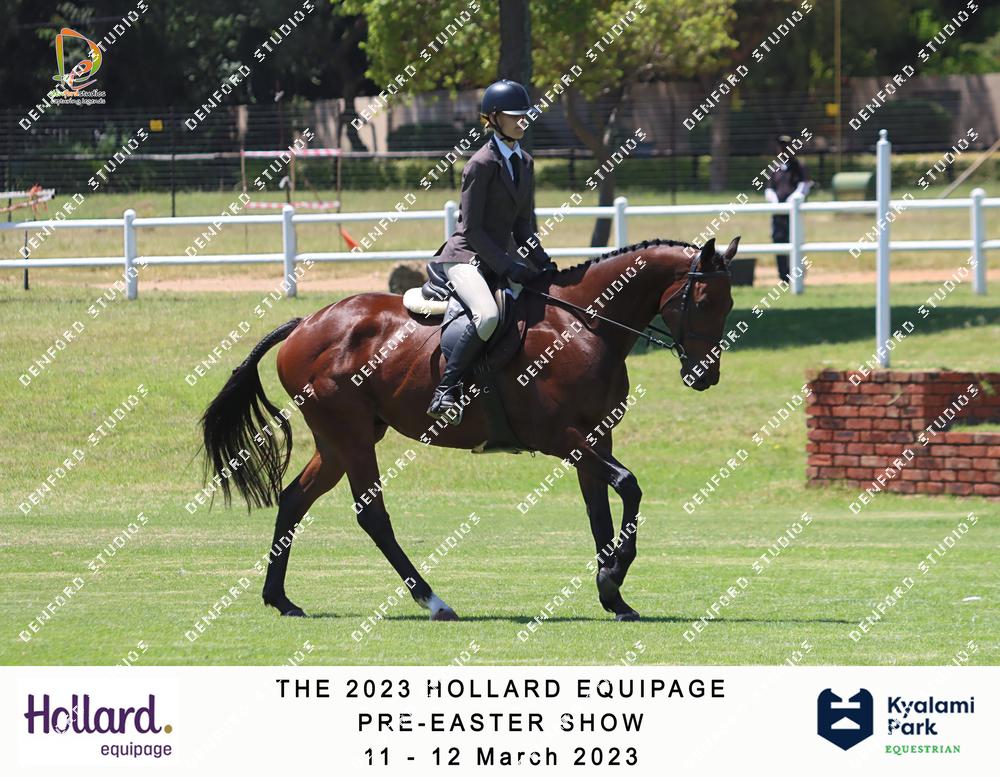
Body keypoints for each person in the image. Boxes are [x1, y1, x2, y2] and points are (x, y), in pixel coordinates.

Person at [426, 79, 555, 424]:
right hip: (465, 258)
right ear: (494, 118)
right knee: (487, 316)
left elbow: (523, 227)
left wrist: (543, 262)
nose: (522, 121)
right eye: (514, 116)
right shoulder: (480, 164)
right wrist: (509, 266)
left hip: (499, 260)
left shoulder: (525, 163)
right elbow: (472, 229)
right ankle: (445, 391)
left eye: (525, 115)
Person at [764, 134, 812, 282]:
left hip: (794, 213)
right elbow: (769, 189)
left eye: (786, 146)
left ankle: (797, 273)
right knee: (778, 239)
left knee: (795, 239)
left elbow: (805, 185)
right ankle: (783, 275)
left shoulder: (799, 166)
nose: (783, 149)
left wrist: (794, 199)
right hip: (778, 213)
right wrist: (774, 201)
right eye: (781, 146)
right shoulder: (774, 168)